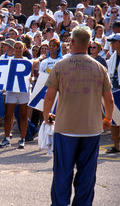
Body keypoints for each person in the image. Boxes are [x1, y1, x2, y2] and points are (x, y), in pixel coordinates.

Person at [43, 26, 114, 206]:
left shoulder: (60, 65)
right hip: (91, 128)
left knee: (62, 172)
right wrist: (107, 120)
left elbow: (49, 96)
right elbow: (109, 100)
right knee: (87, 173)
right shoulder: (99, 67)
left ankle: (60, 204)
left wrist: (46, 116)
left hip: (66, 128)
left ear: (72, 42)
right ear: (89, 44)